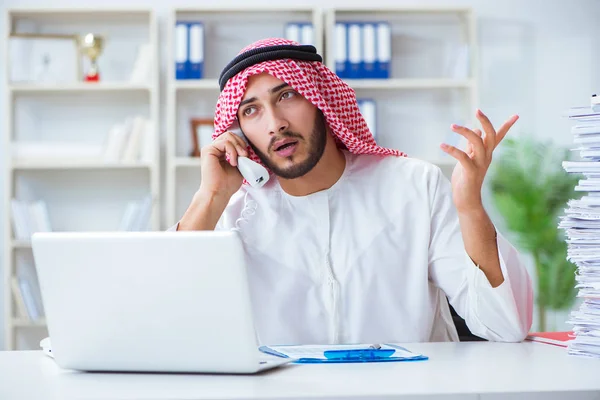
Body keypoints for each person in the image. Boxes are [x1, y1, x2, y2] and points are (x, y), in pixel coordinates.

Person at [171, 38, 533, 346]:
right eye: (251, 110)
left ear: (322, 101)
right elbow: (174, 327)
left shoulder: (413, 186)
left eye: (288, 96)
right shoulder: (234, 215)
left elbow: (505, 326)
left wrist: (469, 207)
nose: (275, 123)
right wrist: (210, 198)